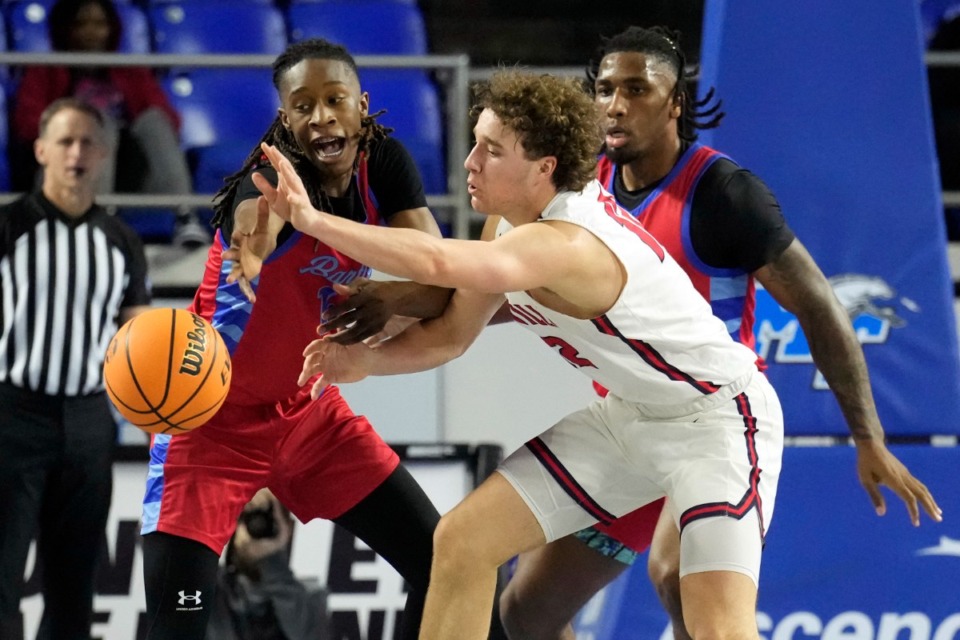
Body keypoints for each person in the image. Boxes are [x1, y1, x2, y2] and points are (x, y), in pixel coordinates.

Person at [254, 69, 790, 640]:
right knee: (461, 541)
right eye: (474, 142)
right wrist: (362, 363)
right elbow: (453, 334)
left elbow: (437, 264)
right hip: (628, 417)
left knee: (718, 629)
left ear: (544, 168)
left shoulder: (568, 242)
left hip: (719, 423)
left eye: (491, 150)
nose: (469, 162)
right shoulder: (509, 224)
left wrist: (312, 221)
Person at [494, 26, 945, 640]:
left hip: (710, 424)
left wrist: (868, 437)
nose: (616, 104)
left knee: (676, 574)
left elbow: (818, 305)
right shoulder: (580, 190)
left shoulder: (724, 195)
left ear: (675, 101)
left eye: (637, 88)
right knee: (527, 614)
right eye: (603, 89)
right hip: (624, 427)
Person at [138, 38, 448, 640]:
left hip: (307, 413)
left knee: (446, 564)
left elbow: (438, 273)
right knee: (177, 625)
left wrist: (389, 297)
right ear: (285, 119)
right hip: (207, 421)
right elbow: (257, 220)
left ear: (362, 105)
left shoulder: (383, 164)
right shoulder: (269, 177)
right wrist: (249, 253)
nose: (322, 115)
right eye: (302, 105)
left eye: (335, 99)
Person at [0, 97, 151, 640]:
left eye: (87, 141)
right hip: (13, 414)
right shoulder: (8, 228)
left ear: (105, 153)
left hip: (89, 420)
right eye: (65, 141)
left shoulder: (121, 241)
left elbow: (140, 345)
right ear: (41, 150)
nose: (76, 153)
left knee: (75, 588)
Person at [10, 0, 209, 247]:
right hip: (69, 171)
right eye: (82, 24)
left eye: (99, 24)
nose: (92, 33)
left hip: (130, 170)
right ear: (65, 29)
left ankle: (185, 216)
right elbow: (28, 127)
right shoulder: (45, 70)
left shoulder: (129, 70)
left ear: (111, 29)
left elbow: (170, 123)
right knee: (98, 122)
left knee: (154, 120)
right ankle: (97, 217)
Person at [206, 488, 330, 640]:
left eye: (267, 517)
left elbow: (308, 635)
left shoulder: (312, 596)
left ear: (289, 527)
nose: (257, 524)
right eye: (247, 516)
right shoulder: (209, 590)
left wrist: (272, 560)